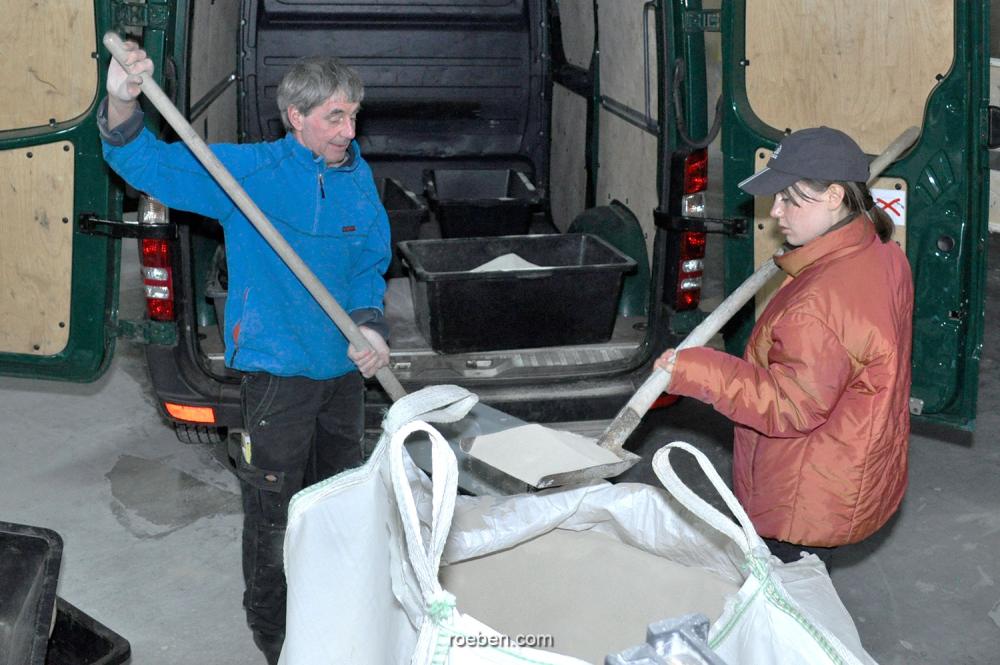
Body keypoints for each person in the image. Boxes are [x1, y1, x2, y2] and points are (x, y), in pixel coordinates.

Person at [99, 42, 392, 663]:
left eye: (354, 115)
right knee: (275, 512)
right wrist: (123, 103)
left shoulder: (357, 176)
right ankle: (276, 635)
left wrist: (371, 327)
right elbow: (148, 164)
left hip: (343, 376)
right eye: (335, 117)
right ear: (296, 117)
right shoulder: (248, 175)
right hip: (278, 377)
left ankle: (336, 619)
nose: (350, 130)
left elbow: (370, 263)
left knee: (339, 503)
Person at [655, 126, 913, 568]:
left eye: (791, 198)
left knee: (779, 607)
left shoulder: (819, 306)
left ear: (834, 197)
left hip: (805, 494)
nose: (776, 212)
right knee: (802, 595)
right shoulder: (883, 253)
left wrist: (695, 371)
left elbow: (790, 406)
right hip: (846, 469)